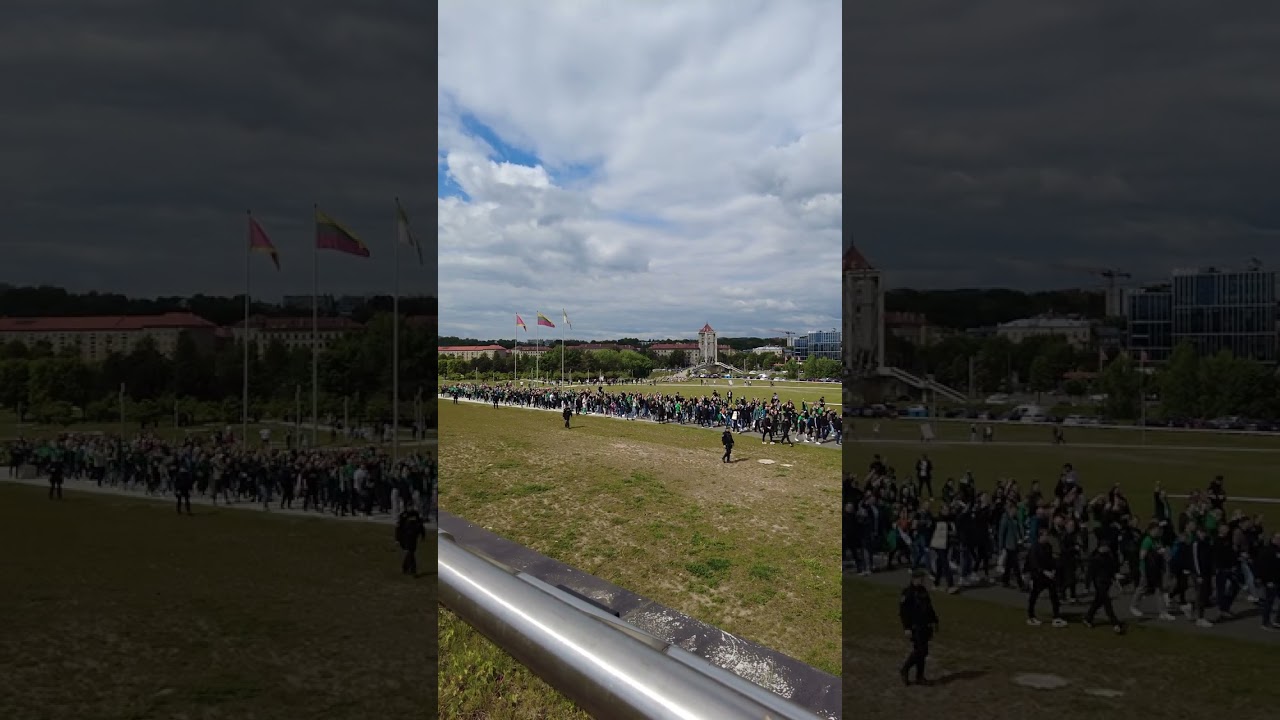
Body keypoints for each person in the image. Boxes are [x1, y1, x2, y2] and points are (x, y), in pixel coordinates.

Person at [899, 568, 939, 686]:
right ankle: (905, 669)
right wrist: (907, 628)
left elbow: (929, 607)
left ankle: (919, 676)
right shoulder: (907, 593)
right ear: (914, 579)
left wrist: (935, 620)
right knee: (921, 650)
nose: (922, 580)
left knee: (922, 652)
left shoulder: (923, 591)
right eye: (920, 578)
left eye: (923, 578)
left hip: (925, 625)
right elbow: (903, 612)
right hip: (915, 626)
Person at [1026, 527, 1067, 627]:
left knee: (1054, 596)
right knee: (1034, 596)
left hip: (1048, 575)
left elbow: (1050, 560)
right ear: (1040, 536)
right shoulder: (1034, 548)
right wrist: (1044, 572)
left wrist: (1053, 569)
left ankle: (1056, 617)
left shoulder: (1048, 546)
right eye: (1046, 535)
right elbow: (1033, 563)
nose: (1047, 537)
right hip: (1038, 576)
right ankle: (1031, 616)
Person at [1082, 541, 1124, 633]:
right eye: (1104, 547)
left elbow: (1111, 570)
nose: (1106, 548)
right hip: (1099, 583)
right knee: (1107, 604)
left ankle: (1088, 618)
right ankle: (1115, 623)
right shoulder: (1096, 559)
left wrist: (1116, 580)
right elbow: (1090, 573)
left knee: (1098, 602)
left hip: (1106, 583)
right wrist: (1087, 586)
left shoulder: (1109, 557)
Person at [396, 502, 427, 577]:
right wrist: (397, 539)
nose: (411, 508)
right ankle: (413, 569)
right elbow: (398, 528)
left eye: (412, 506)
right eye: (409, 506)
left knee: (411, 552)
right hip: (405, 537)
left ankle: (406, 568)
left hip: (413, 537)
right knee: (410, 552)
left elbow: (420, 526)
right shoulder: (403, 515)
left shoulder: (416, 514)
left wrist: (423, 535)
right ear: (406, 507)